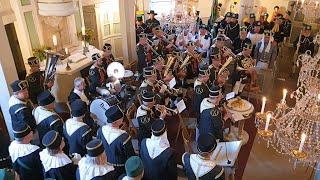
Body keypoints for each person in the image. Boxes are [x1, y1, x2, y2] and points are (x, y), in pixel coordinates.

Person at [97, 105, 135, 178]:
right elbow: (130, 156)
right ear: (117, 121)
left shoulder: (100, 130)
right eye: (122, 118)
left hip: (105, 165)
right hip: (120, 168)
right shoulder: (124, 137)